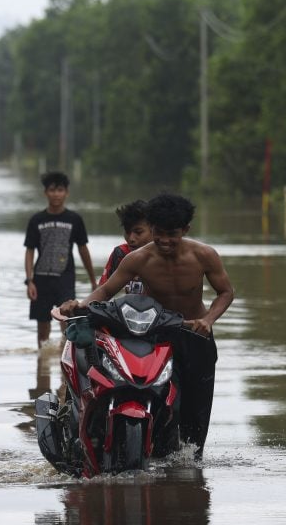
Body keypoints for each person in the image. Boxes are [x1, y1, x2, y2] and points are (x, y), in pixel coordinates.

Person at [59, 193, 234, 456]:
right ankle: (146, 450)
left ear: (185, 230)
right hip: (156, 337)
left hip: (193, 334)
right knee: (158, 398)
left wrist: (208, 320)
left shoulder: (204, 255)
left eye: (172, 234)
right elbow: (106, 291)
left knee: (196, 412)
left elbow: (226, 292)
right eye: (159, 233)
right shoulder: (138, 259)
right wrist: (80, 306)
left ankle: (191, 465)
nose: (164, 241)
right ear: (152, 228)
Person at [24, 171, 97, 348]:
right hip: (41, 278)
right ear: (45, 193)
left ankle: (67, 360)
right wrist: (30, 280)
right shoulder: (36, 220)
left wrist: (93, 280)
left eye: (60, 190)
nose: (56, 194)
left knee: (67, 320)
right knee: (43, 326)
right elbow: (30, 251)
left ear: (66, 192)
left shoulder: (74, 219)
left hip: (65, 277)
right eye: (52, 190)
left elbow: (83, 249)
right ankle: (43, 367)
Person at [99, 199, 151, 294]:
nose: (131, 238)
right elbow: (102, 291)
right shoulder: (120, 254)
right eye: (127, 232)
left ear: (154, 230)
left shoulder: (165, 255)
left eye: (138, 232)